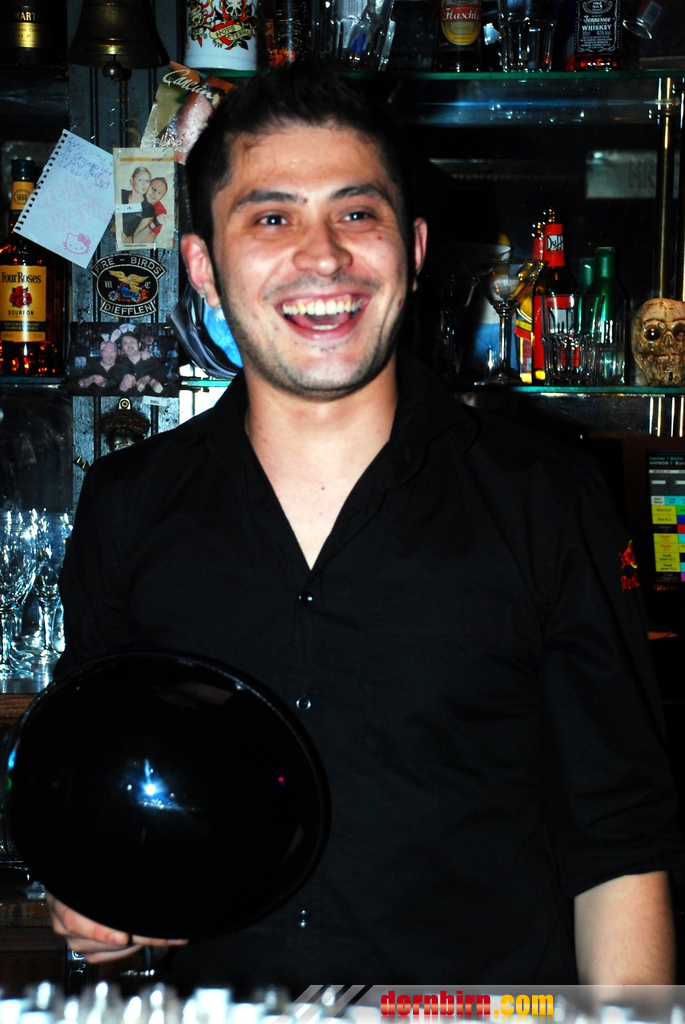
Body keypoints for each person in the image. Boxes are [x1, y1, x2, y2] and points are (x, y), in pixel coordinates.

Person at [50, 65, 683, 991]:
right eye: (271, 219)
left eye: (356, 213)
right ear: (203, 268)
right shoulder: (126, 504)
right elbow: (93, 785)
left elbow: (619, 846)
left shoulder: (547, 501)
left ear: (413, 249)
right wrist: (96, 902)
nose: (323, 257)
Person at [131, 178, 169, 246]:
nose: (154, 193)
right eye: (152, 188)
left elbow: (149, 239)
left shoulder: (160, 211)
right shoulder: (136, 194)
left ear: (161, 198)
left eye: (159, 193)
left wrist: (126, 240)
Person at [120, 166, 153, 243]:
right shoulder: (121, 194)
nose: (144, 184)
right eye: (140, 180)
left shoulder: (149, 209)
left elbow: (138, 238)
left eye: (147, 181)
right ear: (132, 180)